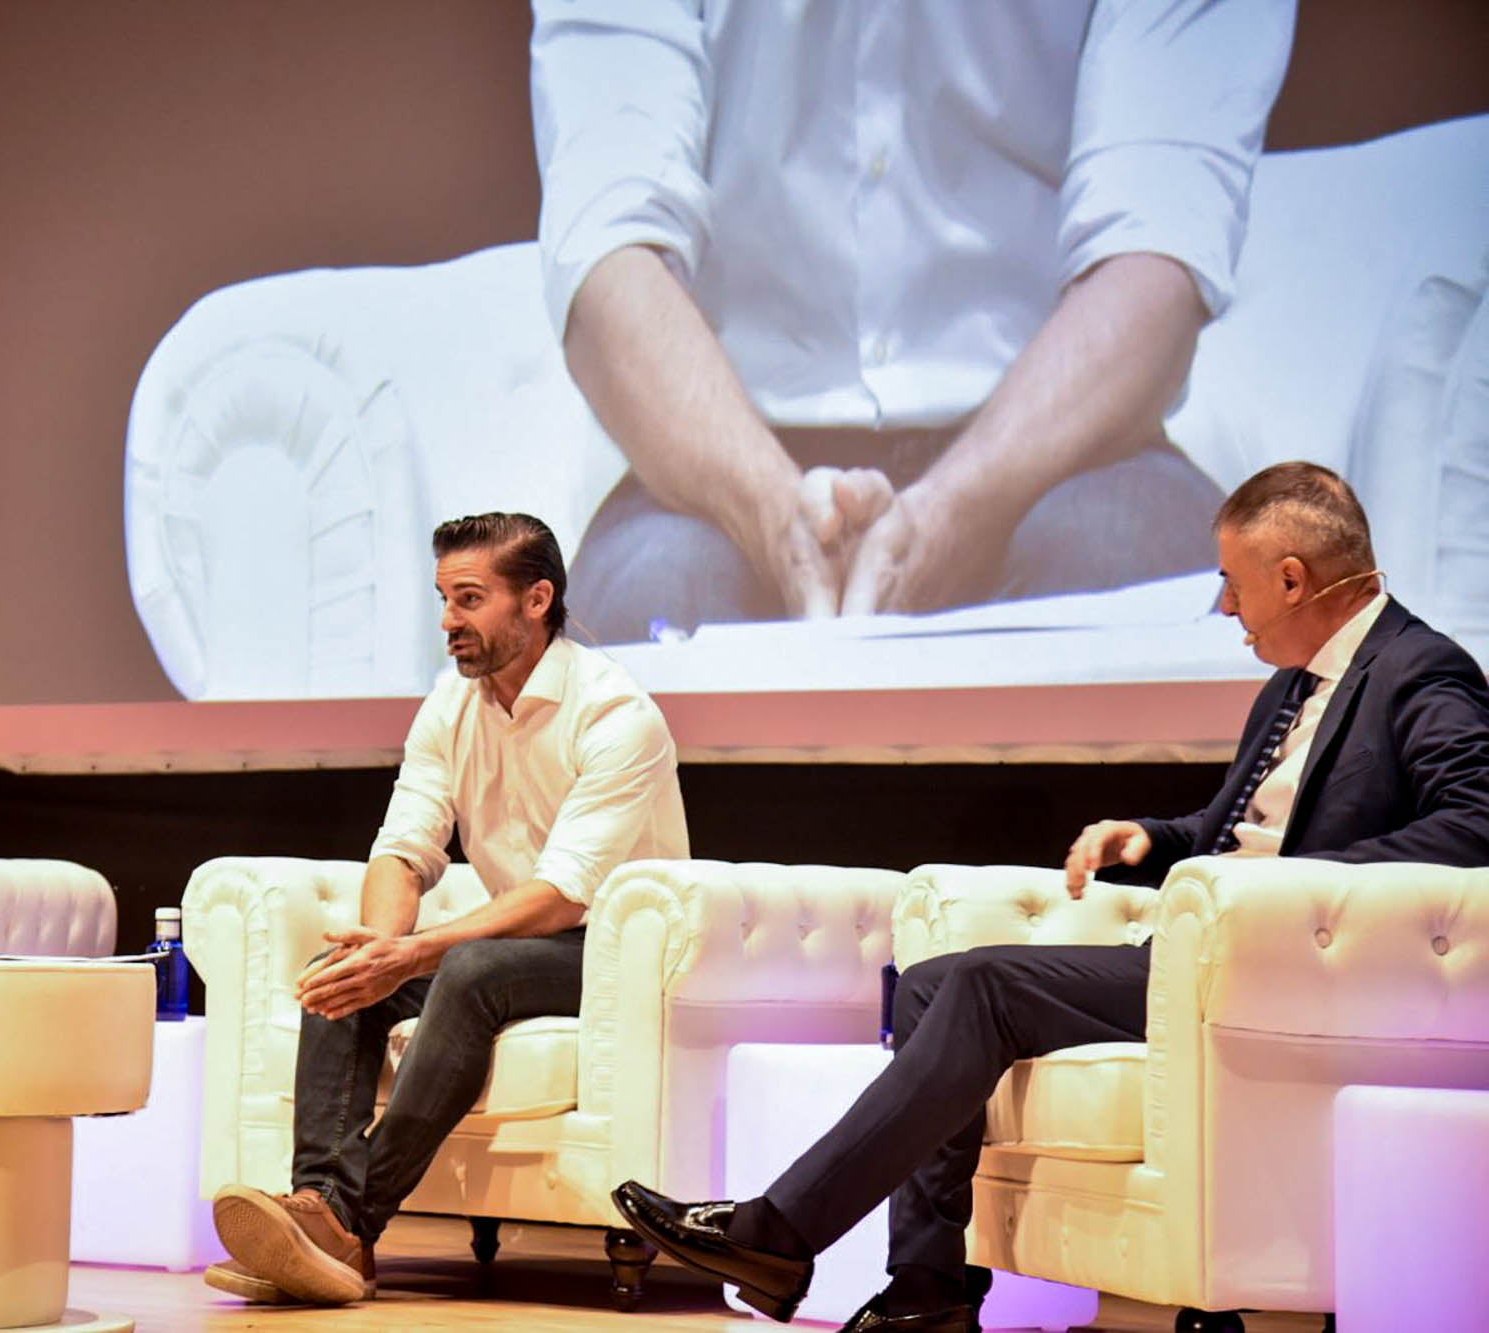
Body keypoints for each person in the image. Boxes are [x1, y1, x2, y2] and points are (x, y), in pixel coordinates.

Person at [609, 462, 1489, 1330]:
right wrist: (1151, 836)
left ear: (1292, 579)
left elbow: (1475, 825)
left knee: (987, 986)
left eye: (1232, 581)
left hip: (1281, 968)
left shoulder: (1421, 672)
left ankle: (780, 1229)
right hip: (1197, 956)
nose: (1224, 605)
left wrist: (1284, 891)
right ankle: (928, 1286)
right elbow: (1240, 830)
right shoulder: (1288, 688)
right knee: (927, 979)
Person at [530, 0, 1297, 642]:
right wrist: (772, 513)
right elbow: (608, 244)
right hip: (719, 460)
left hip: (1071, 445)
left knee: (1126, 576)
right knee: (648, 611)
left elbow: (1156, 246)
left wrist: (952, 516)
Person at [204, 512, 687, 1306]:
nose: (448, 622)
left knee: (468, 966)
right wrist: (379, 950)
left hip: (616, 954)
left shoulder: (614, 713)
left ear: (537, 599)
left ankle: (351, 1220)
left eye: (469, 598)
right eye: (442, 598)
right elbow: (404, 847)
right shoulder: (451, 704)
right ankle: (319, 1211)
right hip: (516, 941)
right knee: (345, 969)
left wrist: (415, 953)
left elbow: (564, 892)